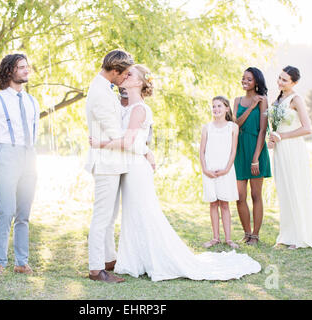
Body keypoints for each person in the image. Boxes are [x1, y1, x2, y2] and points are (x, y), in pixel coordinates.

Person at [90, 64, 261, 282]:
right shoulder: (125, 107)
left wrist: (100, 143)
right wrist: (147, 151)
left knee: (145, 213)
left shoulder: (140, 109)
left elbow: (129, 141)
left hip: (136, 170)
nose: (125, 75)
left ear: (139, 82)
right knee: (134, 214)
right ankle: (136, 259)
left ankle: (155, 258)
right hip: (129, 167)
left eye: (130, 73)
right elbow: (137, 141)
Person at [85, 50, 154, 283]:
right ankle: (96, 269)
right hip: (106, 161)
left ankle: (108, 259)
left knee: (109, 215)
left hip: (113, 161)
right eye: (123, 74)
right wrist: (145, 149)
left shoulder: (105, 89)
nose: (124, 78)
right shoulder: (100, 93)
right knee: (102, 216)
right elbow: (119, 135)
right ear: (114, 71)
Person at [0, 53, 40, 275]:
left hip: (29, 156)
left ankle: (21, 262)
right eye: (21, 67)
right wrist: (0, 158)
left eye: (27, 67)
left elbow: (33, 132)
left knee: (23, 213)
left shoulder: (31, 101)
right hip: (7, 154)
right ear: (9, 71)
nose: (26, 70)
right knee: (6, 211)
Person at [268, 66, 312, 250]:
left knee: (295, 188)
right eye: (279, 78)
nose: (280, 82)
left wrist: (283, 136)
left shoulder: (296, 99)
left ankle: (301, 236)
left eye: (285, 80)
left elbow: (307, 128)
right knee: (283, 190)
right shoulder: (278, 100)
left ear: (294, 83)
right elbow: (275, 126)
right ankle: (287, 235)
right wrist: (273, 137)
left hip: (292, 148)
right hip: (280, 150)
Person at [233, 67, 271, 245]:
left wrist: (256, 158)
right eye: (243, 78)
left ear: (257, 81)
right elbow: (236, 125)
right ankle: (246, 233)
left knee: (256, 195)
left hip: (256, 149)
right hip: (240, 150)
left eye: (249, 79)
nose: (245, 81)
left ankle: (255, 235)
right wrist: (251, 107)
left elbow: (263, 130)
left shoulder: (264, 100)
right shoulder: (238, 100)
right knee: (240, 196)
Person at [199, 96, 239, 249]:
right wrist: (205, 169)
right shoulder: (207, 127)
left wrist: (227, 169)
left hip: (225, 169)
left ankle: (228, 239)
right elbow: (202, 151)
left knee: (225, 204)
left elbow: (233, 150)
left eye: (219, 106)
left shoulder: (233, 127)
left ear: (227, 108)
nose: (216, 109)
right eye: (214, 106)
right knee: (213, 203)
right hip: (210, 169)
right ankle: (215, 237)